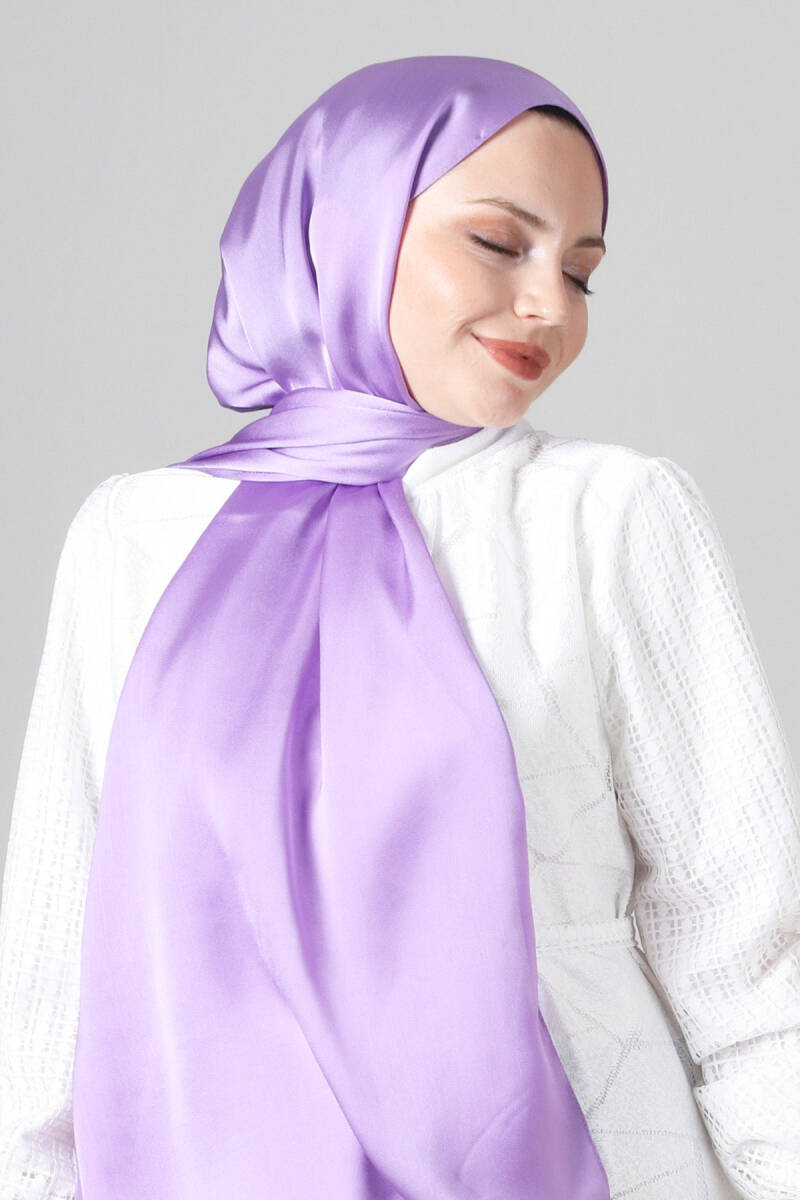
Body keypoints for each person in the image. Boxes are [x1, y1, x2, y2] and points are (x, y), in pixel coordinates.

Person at [1, 55, 798, 1200]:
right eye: (499, 243)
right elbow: (53, 970)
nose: (550, 305)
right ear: (342, 226)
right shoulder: (135, 535)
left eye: (581, 271)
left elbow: (745, 949)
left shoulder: (610, 515)